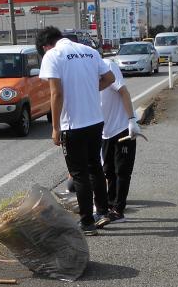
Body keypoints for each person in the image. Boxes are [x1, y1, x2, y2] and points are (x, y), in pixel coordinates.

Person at [36, 26, 116, 235]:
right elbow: (109, 79)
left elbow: (56, 94)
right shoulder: (89, 51)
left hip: (73, 125)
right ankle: (104, 212)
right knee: (95, 168)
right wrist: (89, 88)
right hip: (96, 120)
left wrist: (55, 128)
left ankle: (87, 222)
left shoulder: (53, 55)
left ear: (45, 46)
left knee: (80, 174)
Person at [99, 57, 142, 221]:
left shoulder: (107, 66)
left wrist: (132, 120)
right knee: (108, 170)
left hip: (122, 127)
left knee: (122, 171)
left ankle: (118, 209)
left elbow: (123, 91)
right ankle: (110, 205)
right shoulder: (83, 74)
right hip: (105, 131)